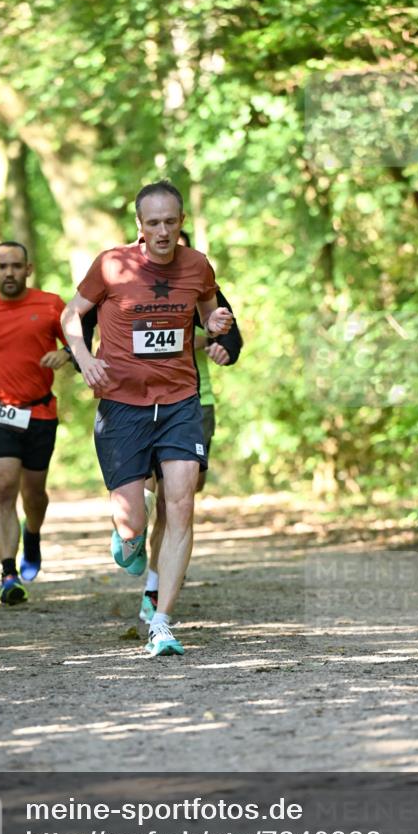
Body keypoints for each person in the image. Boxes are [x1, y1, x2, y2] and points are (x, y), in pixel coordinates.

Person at [61, 181, 234, 656]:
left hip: (179, 401)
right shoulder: (111, 264)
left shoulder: (197, 264)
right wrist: (83, 356)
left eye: (170, 222)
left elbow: (208, 309)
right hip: (122, 406)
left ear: (181, 222)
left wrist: (215, 323)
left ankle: (162, 620)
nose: (162, 231)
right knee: (133, 522)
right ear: (140, 225)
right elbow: (71, 314)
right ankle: (130, 541)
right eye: (153, 222)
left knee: (181, 505)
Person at [139, 228, 243, 624]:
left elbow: (232, 337)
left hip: (195, 403)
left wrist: (221, 348)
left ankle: (154, 584)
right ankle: (133, 533)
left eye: (183, 244)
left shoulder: (201, 281)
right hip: (142, 404)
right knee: (153, 497)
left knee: (177, 500)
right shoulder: (132, 283)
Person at [0, 241, 71, 605]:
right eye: (3, 266)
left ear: (29, 268)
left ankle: (33, 533)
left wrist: (66, 353)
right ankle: (8, 573)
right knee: (4, 483)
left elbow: (79, 338)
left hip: (40, 412)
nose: (10, 272)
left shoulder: (51, 304)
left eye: (16, 266)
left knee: (34, 493)